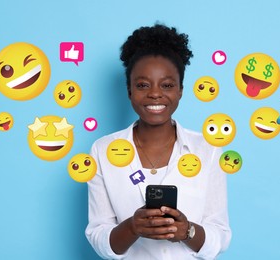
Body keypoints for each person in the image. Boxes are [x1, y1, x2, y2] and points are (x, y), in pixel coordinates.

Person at [85, 24, 231, 259]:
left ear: (181, 90)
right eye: (143, 85)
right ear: (129, 90)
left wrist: (187, 231)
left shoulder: (208, 149)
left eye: (167, 85)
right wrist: (132, 227)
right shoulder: (102, 151)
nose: (155, 93)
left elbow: (220, 236)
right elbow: (98, 235)